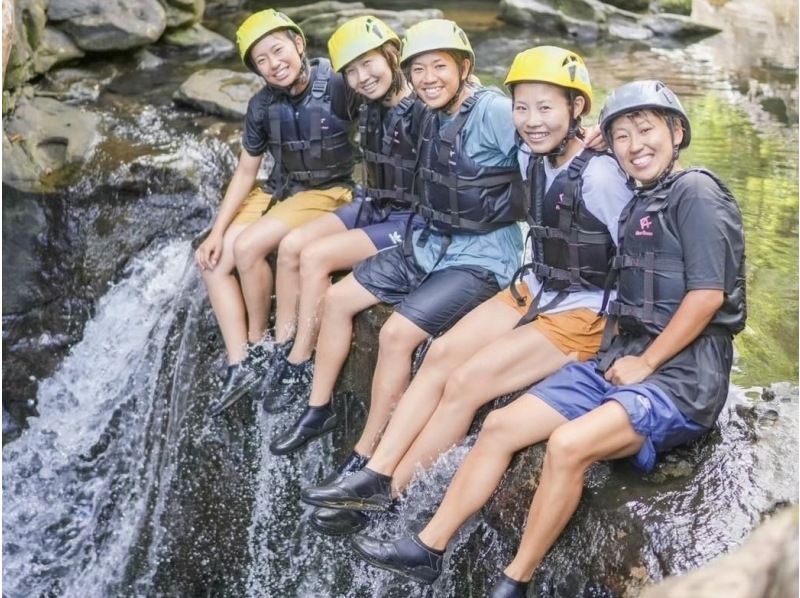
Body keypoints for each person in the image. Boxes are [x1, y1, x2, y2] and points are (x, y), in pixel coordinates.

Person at [349, 79, 747, 597]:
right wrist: (595, 140)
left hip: (681, 380)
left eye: (646, 131)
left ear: (677, 132)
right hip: (616, 358)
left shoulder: (695, 192)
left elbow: (707, 297)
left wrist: (646, 363)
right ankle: (427, 546)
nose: (634, 145)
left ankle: (517, 579)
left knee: (566, 445)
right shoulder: (635, 195)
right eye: (622, 136)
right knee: (499, 425)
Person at [299, 46, 633, 536]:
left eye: (546, 108)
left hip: (583, 312)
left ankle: (395, 495)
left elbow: (640, 253)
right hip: (536, 286)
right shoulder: (531, 152)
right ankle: (374, 473)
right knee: (440, 355)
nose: (532, 120)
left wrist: (637, 347)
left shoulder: (604, 174)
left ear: (576, 107)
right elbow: (477, 119)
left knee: (464, 383)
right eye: (523, 107)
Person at [268, 20, 526, 470]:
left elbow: (542, 145)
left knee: (394, 334)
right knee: (337, 298)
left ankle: (364, 457)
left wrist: (587, 138)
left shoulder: (492, 111)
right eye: (419, 69)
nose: (428, 79)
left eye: (439, 67)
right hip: (428, 241)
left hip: (481, 253)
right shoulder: (422, 109)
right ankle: (318, 407)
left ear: (465, 66)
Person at [256, 15, 425, 414]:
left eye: (369, 64)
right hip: (373, 203)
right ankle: (287, 345)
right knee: (294, 244)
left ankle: (300, 360)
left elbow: (466, 106)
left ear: (392, 55)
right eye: (351, 70)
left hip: (407, 222)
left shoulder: (425, 107)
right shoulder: (365, 103)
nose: (362, 77)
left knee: (317, 257)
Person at [198, 9, 360, 417]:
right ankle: (240, 362)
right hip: (280, 189)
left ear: (299, 43)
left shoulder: (340, 85)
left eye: (278, 50)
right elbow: (246, 171)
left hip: (329, 190)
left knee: (251, 247)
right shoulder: (261, 105)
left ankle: (262, 344)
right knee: (215, 262)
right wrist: (216, 232)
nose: (274, 64)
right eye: (262, 61)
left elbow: (385, 111)